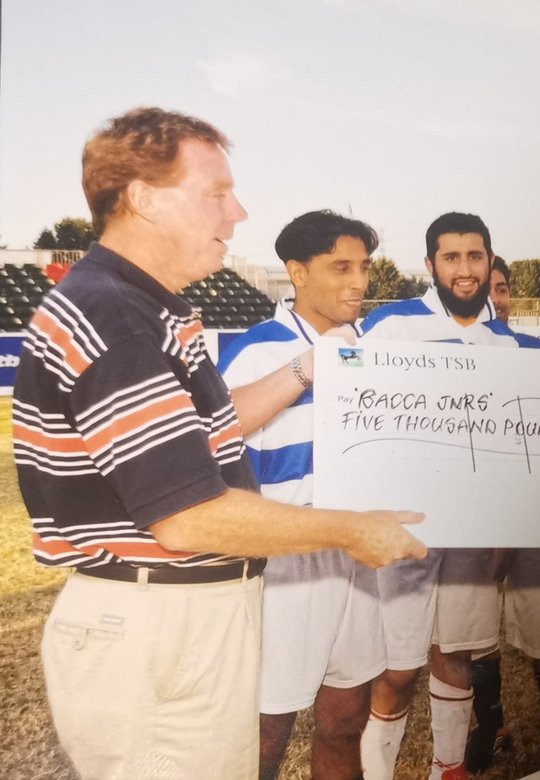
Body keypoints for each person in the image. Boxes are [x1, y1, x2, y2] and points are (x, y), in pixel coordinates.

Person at [13, 107, 425, 780]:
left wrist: (305, 367)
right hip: (155, 626)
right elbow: (187, 515)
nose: (238, 212)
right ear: (143, 199)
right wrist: (352, 529)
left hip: (176, 618)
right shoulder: (113, 313)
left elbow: (203, 433)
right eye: (216, 192)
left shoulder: (145, 305)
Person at [357, 212, 531, 780]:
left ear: (489, 261)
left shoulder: (510, 344)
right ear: (430, 264)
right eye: (450, 257)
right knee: (398, 664)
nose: (464, 269)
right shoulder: (389, 326)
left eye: (475, 256)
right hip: (405, 526)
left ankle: (447, 768)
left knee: (456, 651)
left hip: (475, 527)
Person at [219, 210, 383, 780]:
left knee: (344, 719)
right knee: (265, 732)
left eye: (364, 267)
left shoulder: (381, 351)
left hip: (359, 555)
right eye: (340, 267)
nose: (358, 282)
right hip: (285, 559)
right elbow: (217, 426)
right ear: (297, 272)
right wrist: (310, 367)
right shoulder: (258, 350)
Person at [465, 251, 540, 772]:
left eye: (503, 287)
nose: (495, 297)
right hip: (475, 518)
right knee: (476, 634)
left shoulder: (538, 352)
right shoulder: (445, 356)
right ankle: (491, 726)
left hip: (533, 516)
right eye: (487, 287)